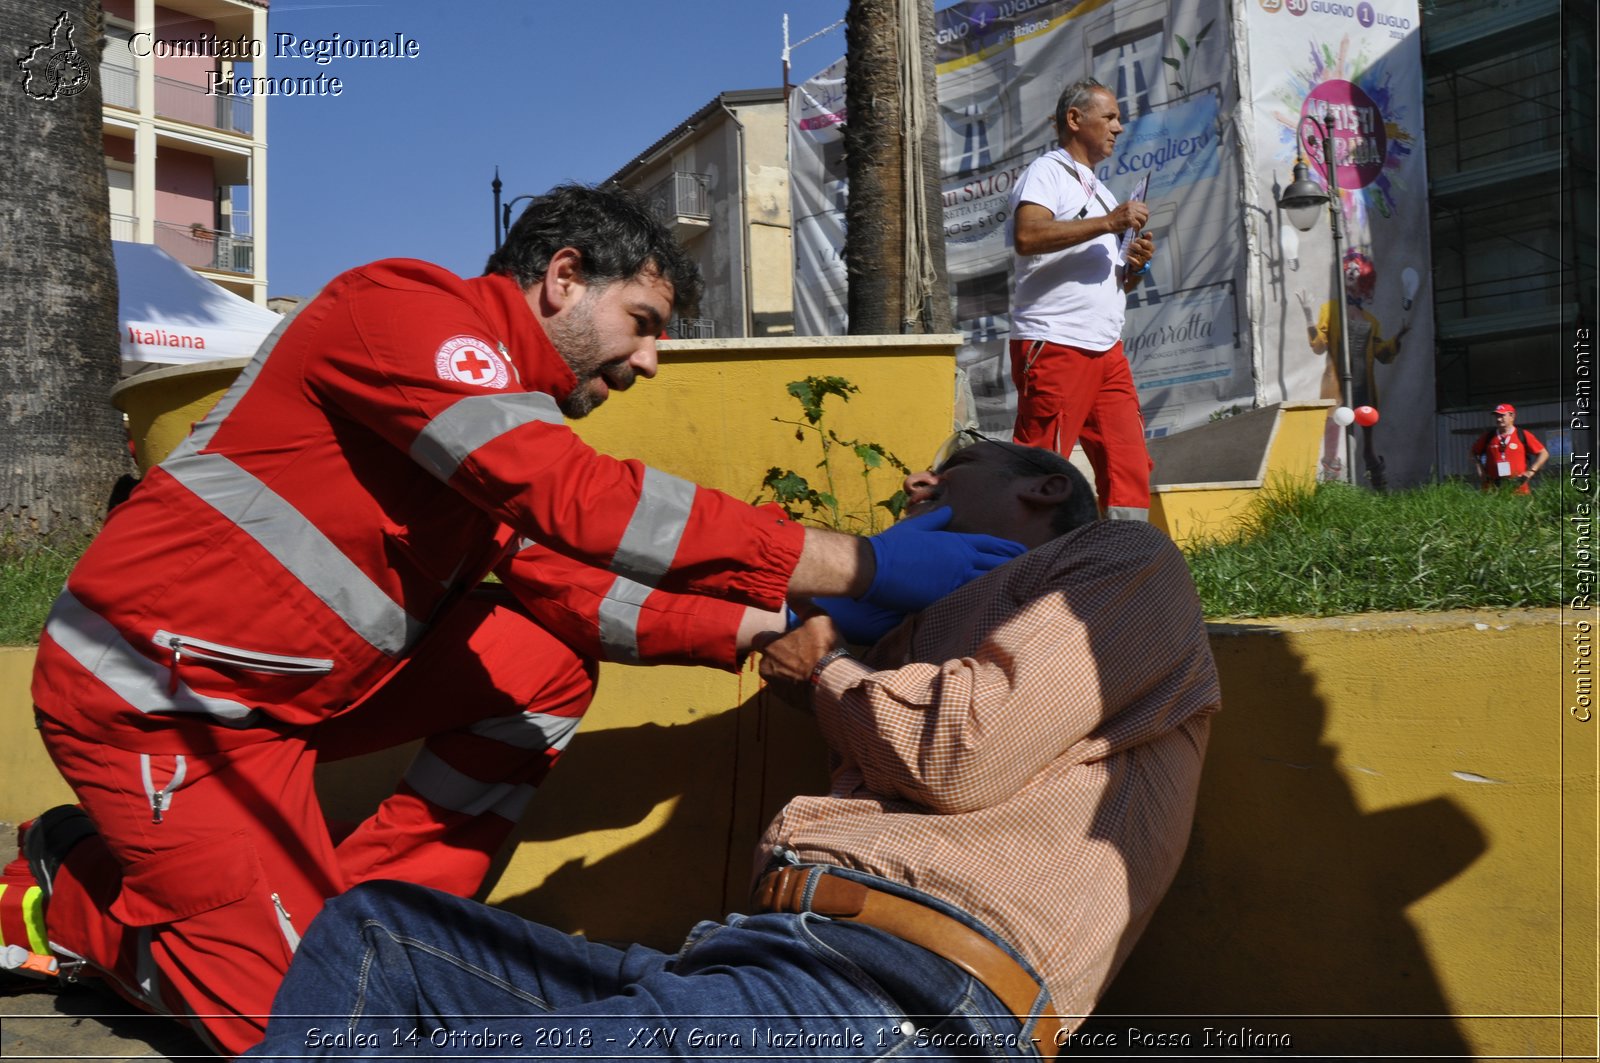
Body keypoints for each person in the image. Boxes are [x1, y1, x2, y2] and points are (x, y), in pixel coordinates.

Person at [3, 184, 1024, 1056]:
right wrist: (862, 558)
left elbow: (567, 583)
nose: (651, 362)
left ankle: (360, 933)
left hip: (276, 706)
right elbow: (573, 500)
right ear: (563, 277)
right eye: (645, 321)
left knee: (541, 659)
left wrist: (754, 631)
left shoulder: (495, 421)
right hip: (155, 701)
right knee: (309, 1035)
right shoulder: (402, 311)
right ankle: (67, 896)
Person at [241, 436, 1222, 1060]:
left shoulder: (1118, 565)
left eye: (951, 469)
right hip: (756, 962)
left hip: (902, 994)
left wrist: (821, 674)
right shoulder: (908, 629)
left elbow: (960, 746)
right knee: (375, 930)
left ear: (1044, 485)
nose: (917, 483)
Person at [1008, 77, 1157, 521]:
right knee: (1042, 465)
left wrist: (1134, 267)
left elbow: (1110, 283)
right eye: (1109, 117)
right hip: (1056, 340)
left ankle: (1126, 563)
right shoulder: (1047, 171)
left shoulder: (1102, 190)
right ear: (1075, 119)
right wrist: (1110, 224)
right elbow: (1028, 235)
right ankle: (1016, 567)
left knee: (1127, 462)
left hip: (1106, 347)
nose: (1119, 127)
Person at [1297, 249, 1410, 487]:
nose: (1352, 272)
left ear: (1364, 278)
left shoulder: (1371, 320)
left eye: (1357, 270)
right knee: (1332, 436)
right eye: (1349, 268)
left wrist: (1397, 338)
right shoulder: (1330, 309)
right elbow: (1319, 346)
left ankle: (1378, 485)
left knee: (1368, 444)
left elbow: (1382, 354)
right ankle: (1332, 489)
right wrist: (1309, 318)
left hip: (1363, 385)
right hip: (1336, 383)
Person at [1471, 402, 1548, 494]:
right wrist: (1479, 468)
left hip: (1518, 489)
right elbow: (1473, 453)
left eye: (1502, 415)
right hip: (1492, 489)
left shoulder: (1522, 435)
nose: (1498, 419)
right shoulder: (1489, 436)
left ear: (1512, 416)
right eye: (1497, 416)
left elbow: (1544, 453)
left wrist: (1531, 471)